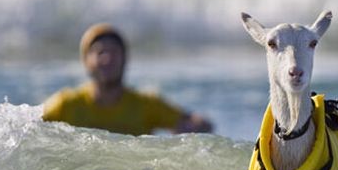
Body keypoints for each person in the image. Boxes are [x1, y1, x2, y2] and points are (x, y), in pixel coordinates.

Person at [43, 23, 213, 136]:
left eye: (114, 52)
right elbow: (26, 128)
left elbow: (201, 124)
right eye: (100, 52)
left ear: (125, 59)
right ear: (86, 61)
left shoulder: (146, 104)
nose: (108, 58)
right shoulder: (66, 104)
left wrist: (191, 128)